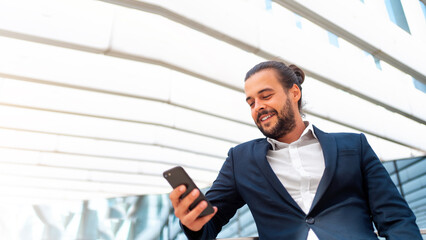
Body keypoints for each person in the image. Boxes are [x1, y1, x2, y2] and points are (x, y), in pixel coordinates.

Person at [169, 61, 422, 239]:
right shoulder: (240, 160)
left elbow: (396, 219)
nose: (257, 106)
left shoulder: (353, 146)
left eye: (265, 96)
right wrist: (192, 222)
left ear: (294, 92)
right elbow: (209, 223)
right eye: (251, 102)